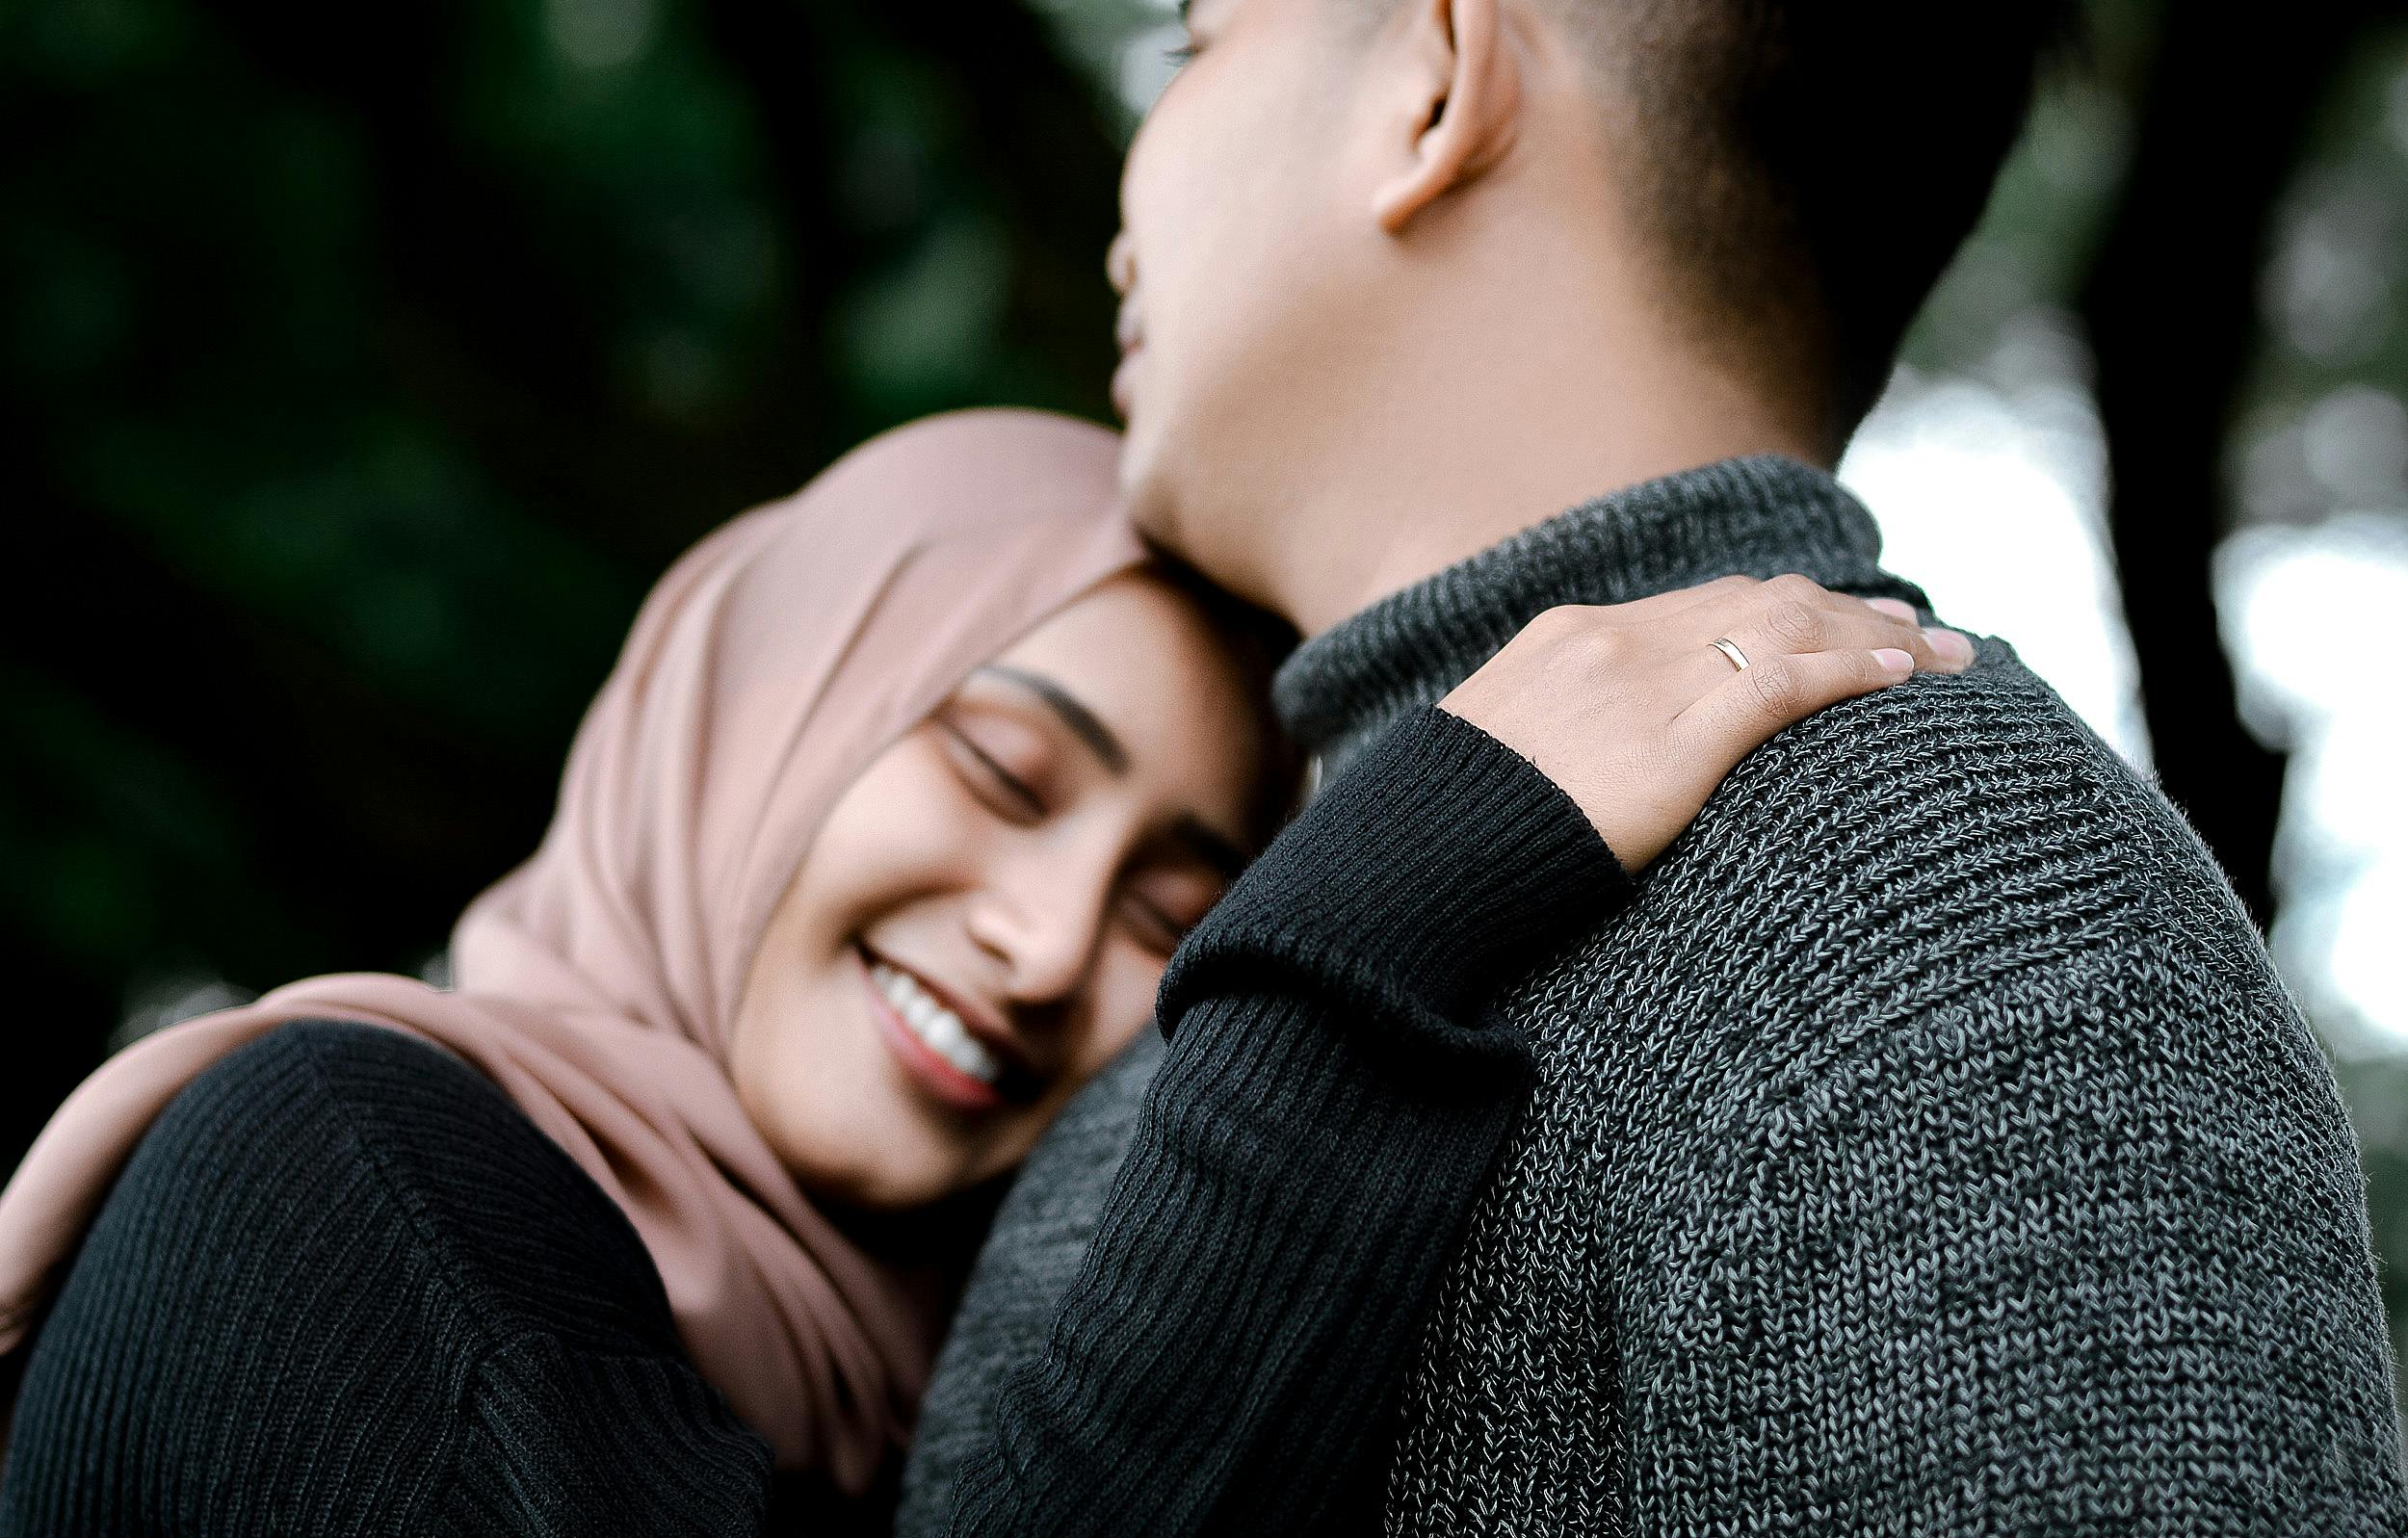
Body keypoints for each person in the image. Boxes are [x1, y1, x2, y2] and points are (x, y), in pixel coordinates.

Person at [897, 0, 2408, 1533]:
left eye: (1197, 41)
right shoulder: (1248, 950)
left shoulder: (1937, 899)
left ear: (1432, 80)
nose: (1134, 175)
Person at [0, 410, 1953, 1533]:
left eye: (1167, 918)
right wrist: (1397, 898)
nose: (1034, 951)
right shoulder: (342, 1192)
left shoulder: (922, 1376)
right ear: (748, 722)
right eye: (999, 768)